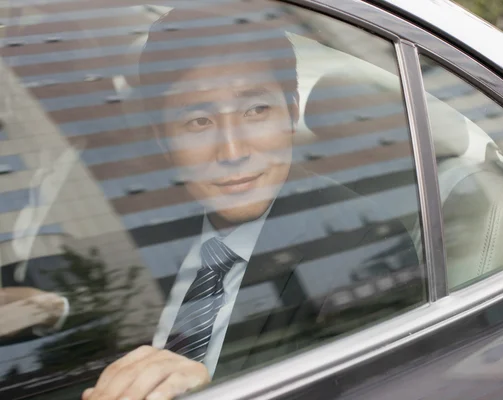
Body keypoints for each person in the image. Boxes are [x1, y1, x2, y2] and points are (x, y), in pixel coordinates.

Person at [83, 3, 418, 400]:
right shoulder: (148, 224)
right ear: (162, 138)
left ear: (292, 113)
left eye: (256, 110)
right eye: (199, 122)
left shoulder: (361, 245)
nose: (232, 150)